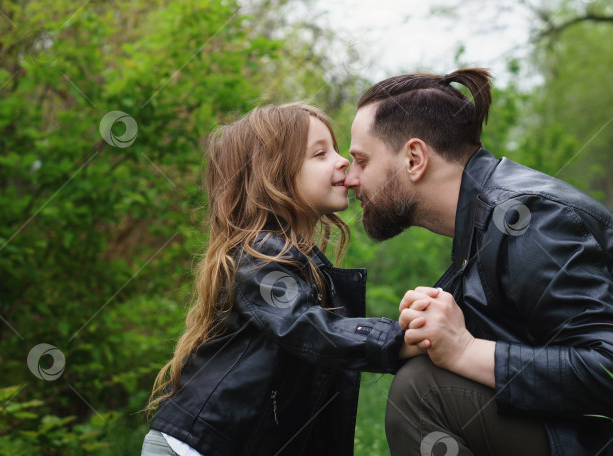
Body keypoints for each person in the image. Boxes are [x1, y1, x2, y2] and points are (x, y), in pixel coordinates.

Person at [344, 68, 613, 456]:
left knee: (421, 392)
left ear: (414, 158)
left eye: (361, 160)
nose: (350, 178)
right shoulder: (485, 223)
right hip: (610, 431)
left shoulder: (525, 219)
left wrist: (464, 350)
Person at [142, 103, 421, 456]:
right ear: (273, 176)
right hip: (195, 447)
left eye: (335, 149)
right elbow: (307, 327)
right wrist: (396, 339)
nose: (342, 160)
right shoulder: (258, 256)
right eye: (320, 153)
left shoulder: (301, 264)